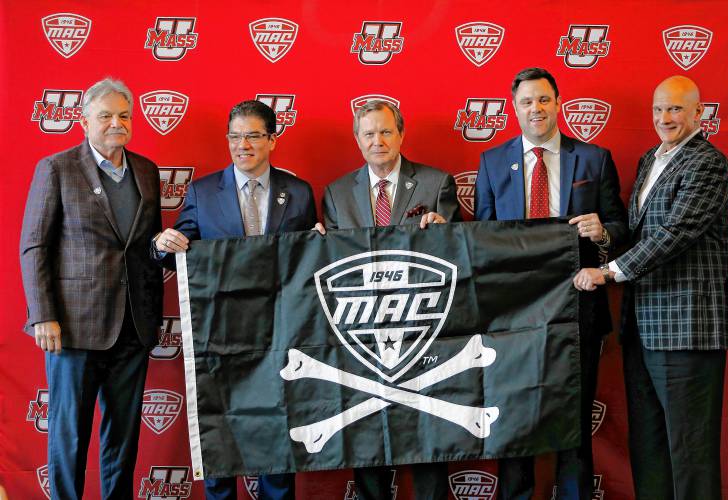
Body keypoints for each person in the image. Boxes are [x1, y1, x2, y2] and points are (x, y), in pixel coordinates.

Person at [573, 75, 728, 499]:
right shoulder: (650, 159)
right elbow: (637, 232)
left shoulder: (707, 163)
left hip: (687, 328)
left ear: (699, 112)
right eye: (658, 109)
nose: (665, 118)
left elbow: (672, 235)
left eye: (676, 109)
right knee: (649, 447)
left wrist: (607, 272)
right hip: (642, 327)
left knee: (690, 450)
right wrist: (603, 237)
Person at [474, 67, 627, 500]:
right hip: (512, 318)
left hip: (577, 313)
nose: (535, 109)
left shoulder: (594, 159)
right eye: (526, 102)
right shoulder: (491, 162)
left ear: (557, 103)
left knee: (574, 423)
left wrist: (604, 231)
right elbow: (483, 237)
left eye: (543, 100)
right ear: (514, 109)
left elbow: (621, 226)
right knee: (513, 421)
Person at [153, 100, 315, 500]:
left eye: (253, 136)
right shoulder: (203, 192)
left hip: (281, 335)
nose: (243, 145)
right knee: (220, 438)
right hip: (219, 337)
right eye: (235, 136)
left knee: (278, 435)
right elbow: (179, 241)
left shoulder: (298, 192)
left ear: (272, 141)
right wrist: (161, 243)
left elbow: (309, 260)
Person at [19, 78, 163, 499]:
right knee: (70, 435)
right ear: (83, 122)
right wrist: (43, 314)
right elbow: (34, 245)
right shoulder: (57, 168)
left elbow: (145, 246)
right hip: (74, 328)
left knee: (123, 437)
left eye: (124, 115)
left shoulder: (147, 171)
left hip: (133, 327)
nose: (116, 123)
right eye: (105, 116)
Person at [315, 100, 461, 500]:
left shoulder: (436, 183)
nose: (377, 141)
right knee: (368, 437)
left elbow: (458, 257)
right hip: (361, 335)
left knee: (427, 432)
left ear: (401, 135)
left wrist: (445, 230)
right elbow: (332, 266)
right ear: (357, 140)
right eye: (368, 133)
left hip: (421, 332)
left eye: (385, 132)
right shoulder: (337, 192)